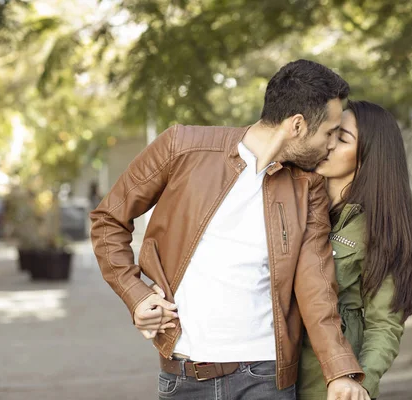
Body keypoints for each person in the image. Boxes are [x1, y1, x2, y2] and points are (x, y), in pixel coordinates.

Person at [89, 60, 371, 400]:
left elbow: (317, 284)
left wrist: (339, 371)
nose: (330, 145)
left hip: (265, 377)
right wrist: (136, 295)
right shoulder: (182, 147)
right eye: (328, 133)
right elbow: (109, 219)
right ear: (297, 125)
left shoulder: (305, 186)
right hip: (184, 375)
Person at [297, 100, 412, 399]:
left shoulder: (377, 228)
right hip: (266, 377)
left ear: (368, 157)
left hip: (326, 385)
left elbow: (385, 324)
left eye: (342, 139)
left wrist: (360, 386)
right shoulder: (292, 199)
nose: (328, 144)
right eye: (329, 133)